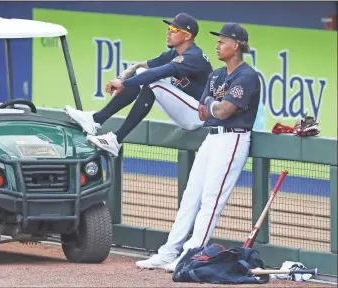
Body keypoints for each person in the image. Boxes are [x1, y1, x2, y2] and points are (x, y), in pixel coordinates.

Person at [135, 22, 261, 272]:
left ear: (235, 46)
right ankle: (169, 251)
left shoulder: (247, 76)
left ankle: (191, 252)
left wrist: (214, 104)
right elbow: (203, 110)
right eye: (217, 41)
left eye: (222, 41)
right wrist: (215, 104)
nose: (217, 45)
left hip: (233, 139)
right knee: (191, 195)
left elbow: (224, 112)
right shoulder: (216, 75)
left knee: (211, 199)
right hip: (211, 138)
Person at [64, 13, 213, 157]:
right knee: (143, 74)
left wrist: (123, 83)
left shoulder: (193, 56)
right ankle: (96, 119)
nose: (168, 32)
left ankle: (115, 139)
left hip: (198, 115)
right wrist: (123, 77)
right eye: (169, 28)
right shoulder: (175, 53)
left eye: (174, 30)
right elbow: (142, 66)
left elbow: (156, 74)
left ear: (187, 36)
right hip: (185, 110)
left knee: (152, 82)